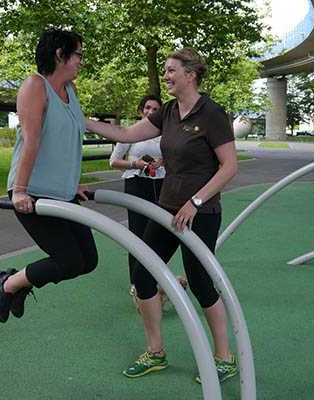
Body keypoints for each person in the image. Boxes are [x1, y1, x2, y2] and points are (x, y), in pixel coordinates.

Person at [86, 48, 239, 383]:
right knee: (143, 274)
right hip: (168, 207)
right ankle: (156, 352)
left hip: (201, 211)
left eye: (171, 71)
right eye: (166, 71)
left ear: (191, 74)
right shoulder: (168, 112)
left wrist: (195, 202)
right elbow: (126, 135)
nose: (166, 76)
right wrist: (80, 119)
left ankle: (224, 358)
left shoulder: (212, 113)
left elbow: (230, 166)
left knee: (199, 282)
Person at [0, 28, 96, 323]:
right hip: (33, 193)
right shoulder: (35, 86)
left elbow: (68, 139)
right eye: (78, 55)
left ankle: (19, 284)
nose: (81, 61)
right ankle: (7, 284)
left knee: (88, 261)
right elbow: (32, 140)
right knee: (70, 261)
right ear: (60, 55)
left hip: (63, 193)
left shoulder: (70, 92)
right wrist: (20, 190)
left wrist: (72, 182)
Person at [108, 95, 165, 303]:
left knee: (158, 236)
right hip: (136, 185)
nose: (151, 112)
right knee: (138, 235)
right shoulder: (131, 133)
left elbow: (174, 156)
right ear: (142, 110)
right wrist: (135, 164)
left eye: (156, 109)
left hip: (161, 185)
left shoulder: (165, 134)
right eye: (148, 108)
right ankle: (137, 284)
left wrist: (162, 161)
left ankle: (156, 282)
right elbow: (113, 161)